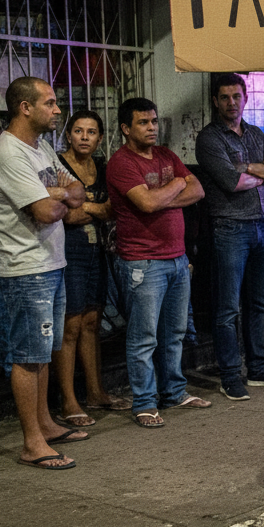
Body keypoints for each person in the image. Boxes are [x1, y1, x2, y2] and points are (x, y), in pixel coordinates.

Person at [0, 77, 87, 469]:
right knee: (27, 356)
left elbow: (78, 191)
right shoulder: (10, 154)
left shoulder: (40, 147)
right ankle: (32, 443)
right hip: (25, 269)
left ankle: (45, 423)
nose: (57, 109)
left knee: (43, 351)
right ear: (25, 108)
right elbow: (46, 211)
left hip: (50, 262)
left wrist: (59, 194)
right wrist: (59, 196)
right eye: (49, 102)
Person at [107, 97, 211, 427]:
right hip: (142, 263)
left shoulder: (166, 155)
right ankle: (144, 402)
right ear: (126, 128)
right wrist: (177, 183)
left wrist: (171, 190)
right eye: (143, 122)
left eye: (154, 121)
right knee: (143, 338)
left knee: (174, 333)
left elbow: (198, 191)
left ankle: (174, 392)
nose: (152, 127)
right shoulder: (122, 163)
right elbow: (147, 203)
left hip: (177, 259)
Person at [195, 74, 264, 400]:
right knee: (227, 309)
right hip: (230, 229)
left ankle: (259, 368)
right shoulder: (209, 139)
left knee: (258, 303)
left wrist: (247, 167)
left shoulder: (254, 133)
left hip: (262, 228)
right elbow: (230, 182)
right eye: (224, 97)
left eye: (236, 96)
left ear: (245, 98)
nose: (231, 102)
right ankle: (229, 375)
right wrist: (262, 173)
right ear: (215, 101)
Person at [52, 109, 129, 427]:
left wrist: (84, 207)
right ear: (69, 134)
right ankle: (69, 401)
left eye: (92, 131)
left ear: (100, 137)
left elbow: (115, 208)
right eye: (79, 131)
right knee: (69, 327)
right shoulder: (58, 165)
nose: (85, 137)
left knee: (92, 324)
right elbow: (64, 216)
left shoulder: (103, 166)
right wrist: (97, 210)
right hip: (67, 255)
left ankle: (96, 393)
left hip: (97, 254)